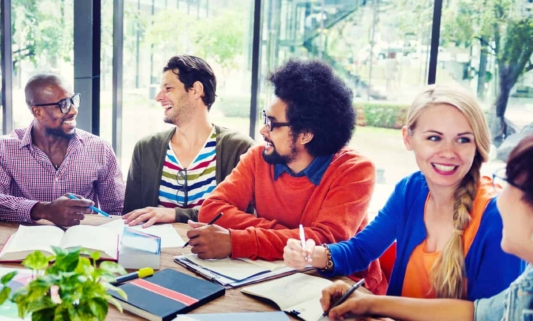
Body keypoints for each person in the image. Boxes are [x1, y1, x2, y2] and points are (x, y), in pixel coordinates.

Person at [283, 84, 524, 302]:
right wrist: (313, 255)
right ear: (408, 138)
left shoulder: (498, 215)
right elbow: (362, 250)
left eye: (462, 140)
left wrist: (373, 305)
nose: (448, 152)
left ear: (477, 144)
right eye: (434, 138)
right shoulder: (410, 190)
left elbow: (491, 313)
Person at [188, 59, 385, 293]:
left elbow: (325, 242)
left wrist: (238, 241)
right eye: (265, 118)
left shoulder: (354, 170)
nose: (263, 130)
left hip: (342, 286)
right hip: (273, 274)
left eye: (272, 123)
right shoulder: (258, 157)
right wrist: (287, 235)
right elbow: (212, 209)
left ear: (305, 135)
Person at [314, 134, 533, 321]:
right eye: (434, 138)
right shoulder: (527, 286)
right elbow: (475, 313)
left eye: (508, 182)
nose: (500, 196)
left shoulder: (491, 216)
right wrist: (367, 303)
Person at [122, 55, 254, 227]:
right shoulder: (146, 148)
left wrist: (176, 214)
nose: (159, 97)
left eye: (168, 88)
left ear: (196, 90)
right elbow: (131, 217)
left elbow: (238, 216)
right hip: (156, 252)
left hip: (215, 253)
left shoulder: (238, 147)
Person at [0, 73, 125, 226]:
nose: (73, 110)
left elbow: (118, 210)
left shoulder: (100, 149)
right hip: (25, 242)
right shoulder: (2, 148)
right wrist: (44, 210)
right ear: (38, 112)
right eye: (63, 104)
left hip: (82, 242)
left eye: (73, 101)